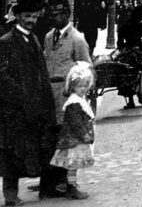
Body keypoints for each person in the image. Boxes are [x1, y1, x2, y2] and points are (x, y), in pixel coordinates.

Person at [0, 0, 56, 206]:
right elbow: (0, 76)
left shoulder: (34, 39)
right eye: (27, 16)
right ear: (18, 16)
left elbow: (41, 73)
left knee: (25, 149)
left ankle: (16, 194)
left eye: (34, 17)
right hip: (13, 108)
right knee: (9, 152)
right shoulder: (6, 41)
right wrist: (21, 95)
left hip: (32, 107)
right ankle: (10, 196)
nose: (31, 20)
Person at [39, 0, 91, 198]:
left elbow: (86, 68)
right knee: (51, 141)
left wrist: (78, 95)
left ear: (67, 14)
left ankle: (70, 185)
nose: (55, 18)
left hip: (67, 96)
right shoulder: (48, 36)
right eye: (51, 14)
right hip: (50, 97)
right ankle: (51, 184)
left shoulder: (77, 39)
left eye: (59, 14)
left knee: (70, 142)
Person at [50, 63, 95, 200]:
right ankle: (72, 188)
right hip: (74, 140)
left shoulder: (79, 100)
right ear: (73, 86)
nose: (83, 89)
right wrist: (84, 134)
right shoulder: (74, 103)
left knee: (73, 166)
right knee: (72, 166)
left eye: (85, 85)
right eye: (80, 86)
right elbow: (76, 123)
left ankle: (70, 185)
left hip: (75, 139)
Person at [116, 5, 142, 109]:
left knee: (125, 72)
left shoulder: (124, 27)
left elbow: (120, 43)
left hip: (128, 54)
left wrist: (123, 49)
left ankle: (130, 100)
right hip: (140, 53)